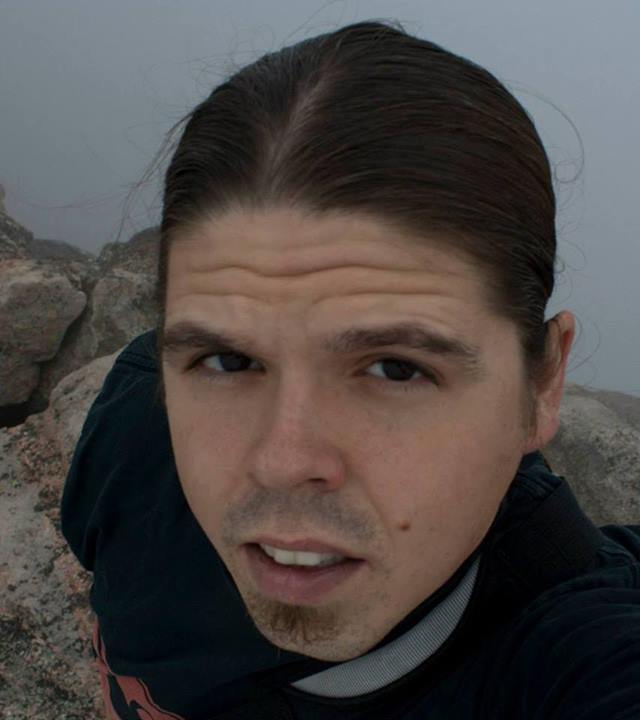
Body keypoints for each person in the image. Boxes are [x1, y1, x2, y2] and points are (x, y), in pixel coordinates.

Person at [60, 20, 640, 719]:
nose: (283, 461)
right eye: (228, 360)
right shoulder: (137, 417)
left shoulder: (574, 657)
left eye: (395, 369)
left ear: (542, 385)